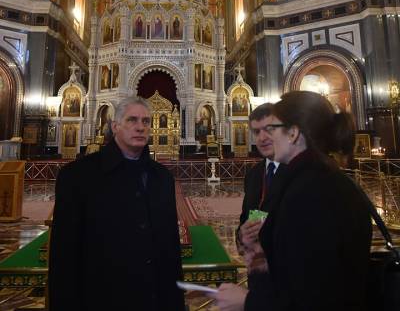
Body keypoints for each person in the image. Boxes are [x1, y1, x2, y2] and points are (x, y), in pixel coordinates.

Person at [216, 90, 372, 311]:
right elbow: (307, 265)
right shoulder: (324, 179)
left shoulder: (310, 192)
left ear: (293, 134)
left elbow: (315, 297)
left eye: (273, 128)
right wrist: (265, 258)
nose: (268, 137)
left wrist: (247, 301)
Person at [49, 96, 185, 311]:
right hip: (102, 297)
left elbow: (169, 248)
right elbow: (64, 256)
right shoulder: (77, 177)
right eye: (132, 120)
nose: (140, 127)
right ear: (115, 126)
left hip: (153, 298)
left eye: (146, 121)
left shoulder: (162, 178)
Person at [236, 103, 284, 288]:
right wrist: (242, 236)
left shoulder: (298, 172)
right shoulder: (253, 175)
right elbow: (245, 219)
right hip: (258, 277)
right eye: (256, 132)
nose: (262, 138)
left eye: (269, 129)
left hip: (287, 278)